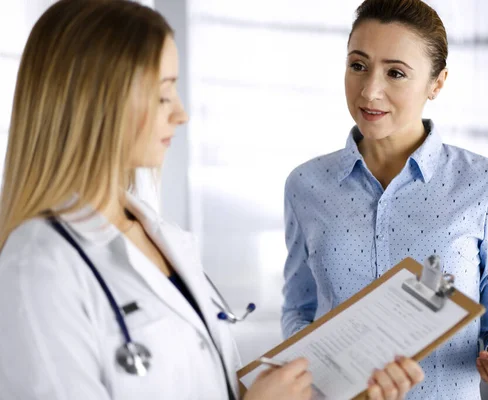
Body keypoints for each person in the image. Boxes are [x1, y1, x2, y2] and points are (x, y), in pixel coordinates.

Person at [0, 1, 316, 399]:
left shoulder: (159, 233)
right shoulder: (38, 267)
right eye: (163, 94)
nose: (181, 114)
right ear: (100, 102)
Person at [281, 0, 488, 399]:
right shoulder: (306, 184)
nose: (370, 90)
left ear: (437, 83)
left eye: (396, 73)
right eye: (358, 65)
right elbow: (299, 309)